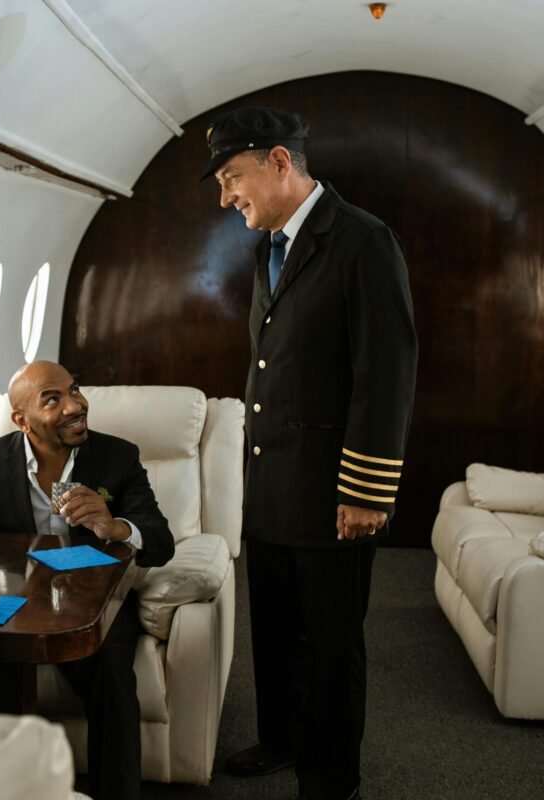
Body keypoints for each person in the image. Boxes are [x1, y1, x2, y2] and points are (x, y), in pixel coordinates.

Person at [203, 107, 418, 800]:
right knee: (275, 628)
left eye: (232, 177)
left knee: (330, 646)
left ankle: (330, 780)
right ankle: (281, 739)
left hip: (333, 492)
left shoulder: (361, 241)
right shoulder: (271, 244)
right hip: (272, 484)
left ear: (279, 163)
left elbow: (384, 375)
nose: (225, 197)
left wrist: (366, 492)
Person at [0, 360, 174, 800]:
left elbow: (162, 541)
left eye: (74, 390)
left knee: (112, 676)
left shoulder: (117, 457)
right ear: (21, 421)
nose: (75, 405)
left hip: (95, 604)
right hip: (12, 604)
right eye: (53, 399)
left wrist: (115, 526)